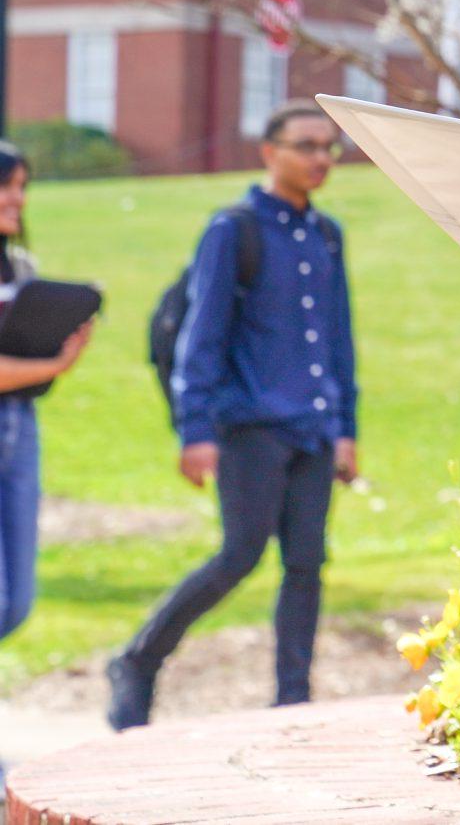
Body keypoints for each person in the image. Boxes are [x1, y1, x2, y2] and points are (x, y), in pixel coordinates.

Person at [107, 101, 359, 730]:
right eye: (306, 145)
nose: (320, 158)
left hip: (313, 428)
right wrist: (196, 430)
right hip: (247, 427)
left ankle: (292, 704)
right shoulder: (233, 229)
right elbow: (201, 337)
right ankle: (138, 661)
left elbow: (338, 341)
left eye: (328, 147)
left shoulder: (328, 236)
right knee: (240, 555)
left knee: (306, 564)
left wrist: (346, 427)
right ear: (269, 151)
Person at [0, 139, 96, 646]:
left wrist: (59, 354)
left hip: (20, 426)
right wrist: (52, 362)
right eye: (5, 186)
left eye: (22, 187)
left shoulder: (21, 270)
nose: (17, 198)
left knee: (15, 604)